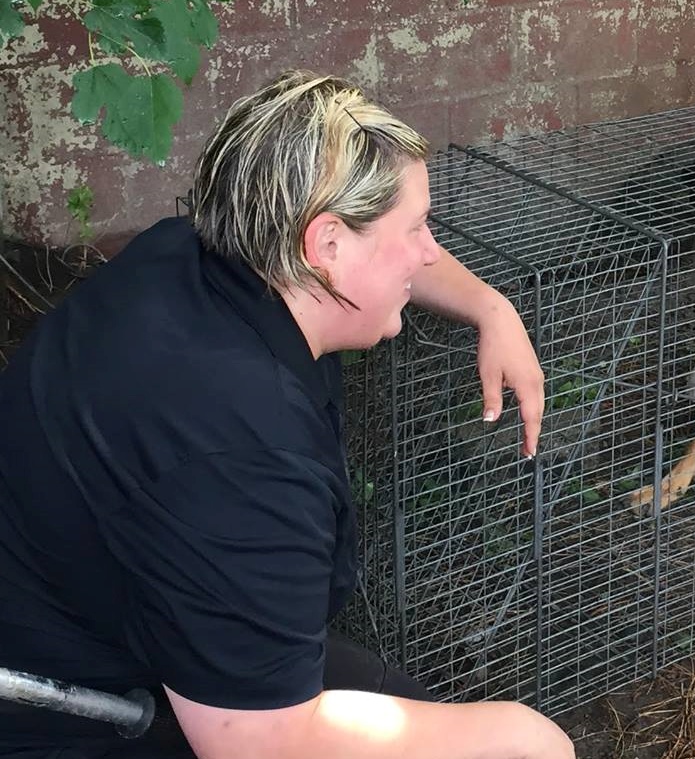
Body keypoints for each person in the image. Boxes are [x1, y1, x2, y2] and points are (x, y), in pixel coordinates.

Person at [0, 70, 575, 759]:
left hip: (113, 606)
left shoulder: (188, 251)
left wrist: (490, 305)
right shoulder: (242, 458)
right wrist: (527, 737)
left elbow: (385, 248)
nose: (429, 249)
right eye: (419, 226)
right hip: (80, 708)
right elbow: (260, 743)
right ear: (326, 245)